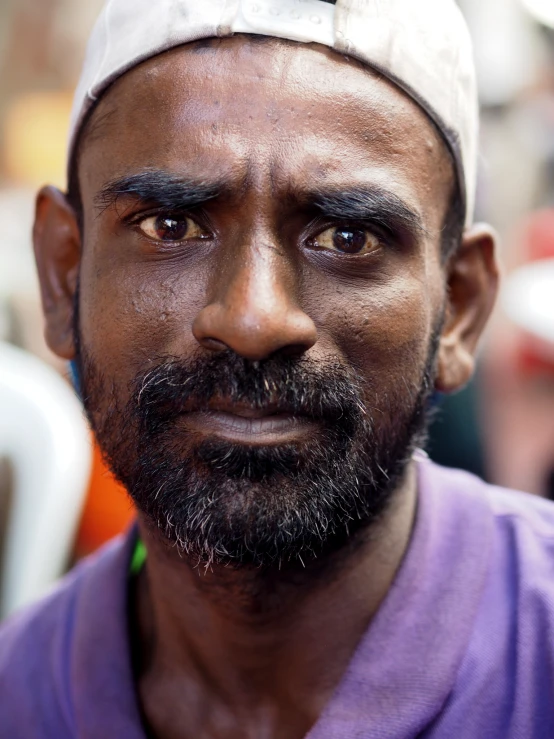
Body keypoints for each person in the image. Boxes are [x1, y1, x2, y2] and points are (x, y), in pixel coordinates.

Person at [1, 0, 553, 737]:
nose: (254, 319)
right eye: (172, 226)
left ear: (458, 306)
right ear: (65, 276)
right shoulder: (18, 694)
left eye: (347, 236)